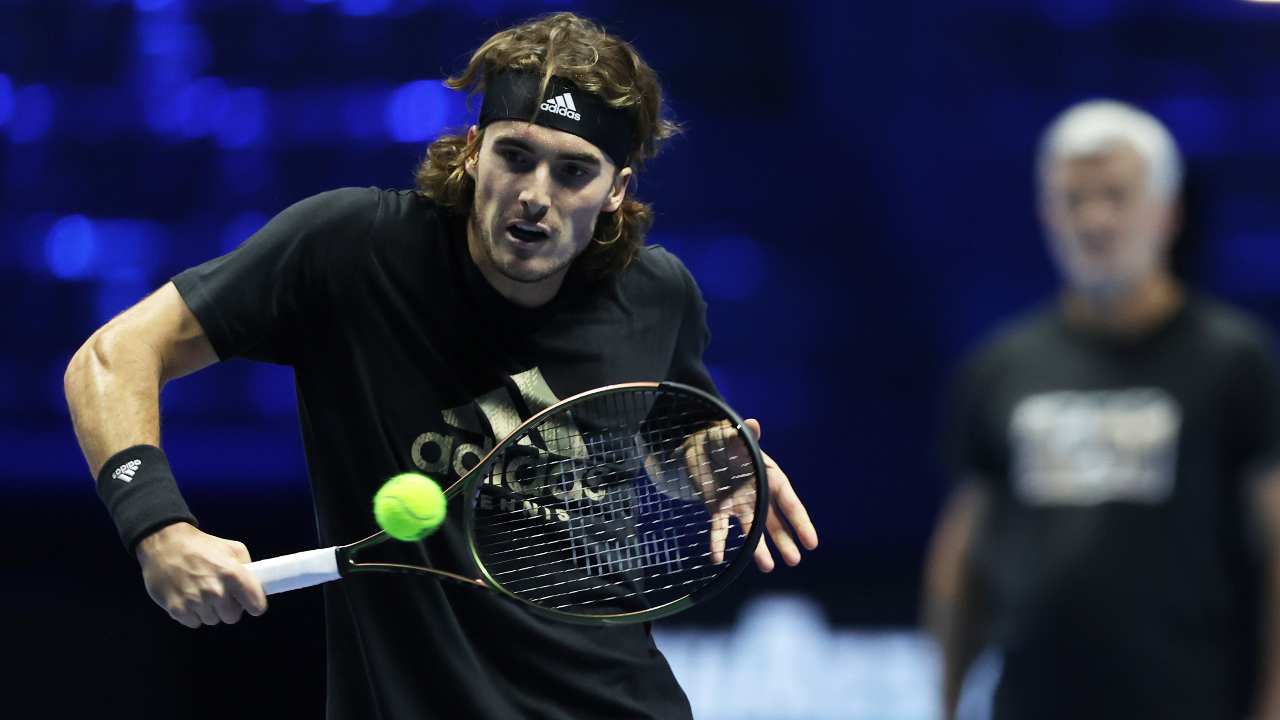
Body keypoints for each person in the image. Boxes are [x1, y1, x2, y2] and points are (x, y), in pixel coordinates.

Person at [63, 12, 818, 720]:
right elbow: (112, 356)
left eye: (573, 172)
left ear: (616, 191)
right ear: (473, 150)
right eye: (515, 156)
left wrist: (711, 460)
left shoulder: (657, 295)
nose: (535, 195)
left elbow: (673, 436)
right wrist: (158, 526)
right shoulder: (351, 251)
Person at [923, 99, 1280, 720]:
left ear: (1169, 212)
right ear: (1045, 213)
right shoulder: (1001, 366)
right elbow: (964, 554)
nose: (1093, 219)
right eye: (1073, 200)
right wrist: (946, 704)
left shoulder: (1233, 360)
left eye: (1117, 196)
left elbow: (1276, 544)